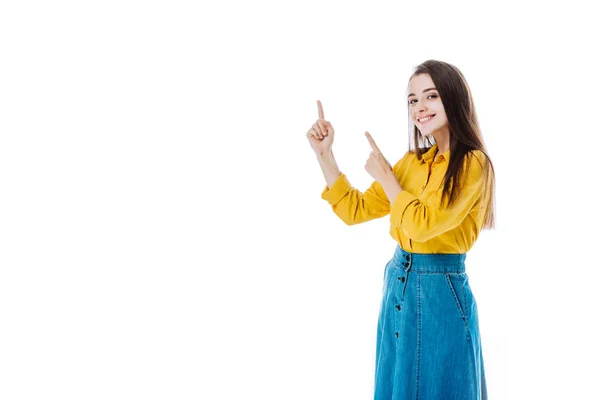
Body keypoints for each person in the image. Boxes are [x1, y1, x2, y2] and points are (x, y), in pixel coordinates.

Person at [306, 59, 495, 400]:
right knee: (398, 386)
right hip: (398, 282)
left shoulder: (473, 163)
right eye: (412, 100)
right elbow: (355, 209)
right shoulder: (413, 162)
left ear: (453, 98)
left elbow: (424, 225)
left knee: (442, 385)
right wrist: (325, 155)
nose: (419, 108)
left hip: (440, 290)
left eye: (430, 96)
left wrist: (388, 179)